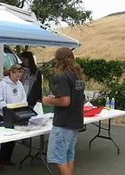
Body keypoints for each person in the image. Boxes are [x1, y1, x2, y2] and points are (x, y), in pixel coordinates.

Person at [42, 47, 85, 175]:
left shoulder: (63, 76)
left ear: (59, 60)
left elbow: (65, 101)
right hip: (76, 121)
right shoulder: (78, 75)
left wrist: (49, 101)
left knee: (59, 158)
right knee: (68, 156)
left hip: (64, 123)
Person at [0, 64, 26, 173]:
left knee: (12, 137)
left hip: (14, 114)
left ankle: (7, 159)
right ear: (11, 73)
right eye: (17, 75)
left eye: (20, 76)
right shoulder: (2, 84)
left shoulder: (19, 84)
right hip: (0, 114)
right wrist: (10, 108)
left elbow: (23, 98)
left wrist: (20, 107)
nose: (18, 78)